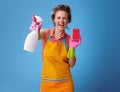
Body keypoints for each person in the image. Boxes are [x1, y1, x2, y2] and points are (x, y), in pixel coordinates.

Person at [31, 4, 80, 92]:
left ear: (68, 20)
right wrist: (35, 29)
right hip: (47, 84)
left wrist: (72, 48)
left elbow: (72, 64)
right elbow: (36, 36)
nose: (61, 21)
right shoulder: (46, 33)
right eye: (58, 18)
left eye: (64, 18)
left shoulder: (69, 39)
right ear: (54, 19)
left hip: (65, 84)